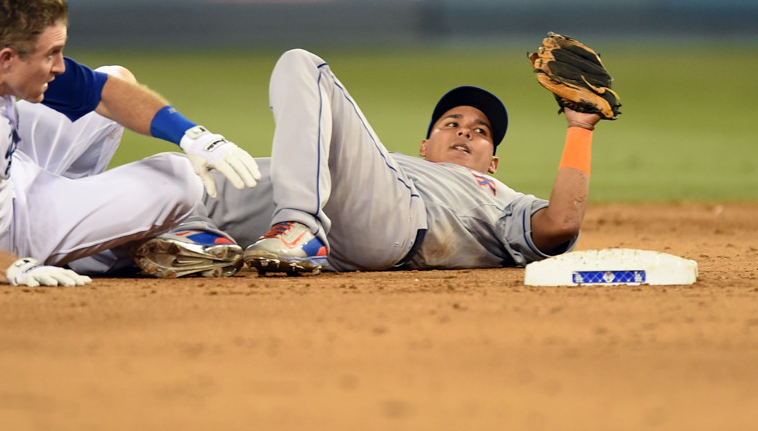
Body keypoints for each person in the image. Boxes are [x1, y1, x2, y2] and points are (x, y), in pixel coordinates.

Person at [0, 0, 261, 286]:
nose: (59, 66)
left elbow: (102, 93)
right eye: (50, 55)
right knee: (180, 179)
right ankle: (89, 246)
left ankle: (78, 220)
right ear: (7, 57)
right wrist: (15, 269)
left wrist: (195, 137)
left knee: (115, 77)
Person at [139, 48, 604, 276]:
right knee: (177, 174)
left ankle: (299, 228)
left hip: (394, 224)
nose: (465, 130)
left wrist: (580, 128)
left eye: (480, 132)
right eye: (451, 123)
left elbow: (560, 223)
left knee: (302, 63)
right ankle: (195, 241)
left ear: (493, 164)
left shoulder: (503, 201)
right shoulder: (394, 164)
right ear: (424, 146)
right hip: (346, 211)